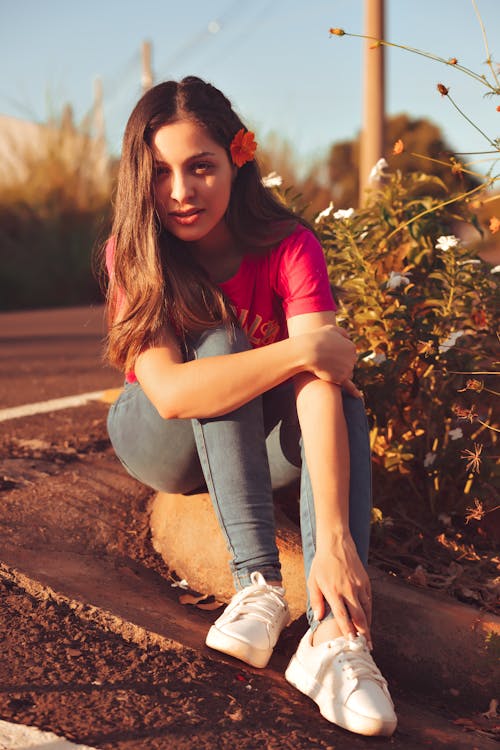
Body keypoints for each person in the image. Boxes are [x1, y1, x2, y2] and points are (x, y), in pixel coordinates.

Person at [101, 76, 397, 738]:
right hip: (158, 436)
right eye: (160, 173)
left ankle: (335, 638)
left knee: (342, 403)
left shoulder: (291, 246)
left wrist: (338, 542)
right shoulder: (137, 251)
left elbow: (322, 384)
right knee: (219, 336)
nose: (180, 191)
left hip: (245, 446)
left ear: (238, 157)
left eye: (200, 166)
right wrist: (301, 351)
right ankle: (257, 586)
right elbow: (174, 394)